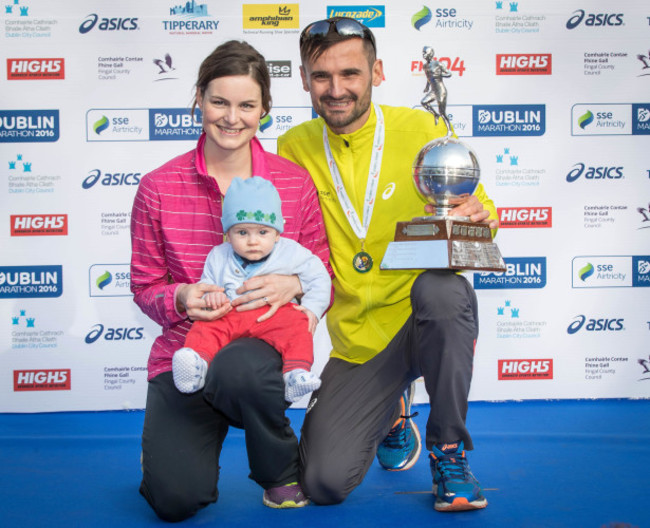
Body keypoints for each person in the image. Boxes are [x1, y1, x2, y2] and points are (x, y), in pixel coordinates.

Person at [277, 17, 498, 512]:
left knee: (444, 291)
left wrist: (477, 216)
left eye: (350, 74)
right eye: (321, 77)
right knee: (324, 482)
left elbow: (479, 208)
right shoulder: (293, 146)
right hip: (358, 343)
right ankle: (393, 411)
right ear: (304, 78)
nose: (336, 90)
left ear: (376, 73)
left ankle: (448, 451)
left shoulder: (424, 128)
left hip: (421, 317)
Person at [130, 40, 331, 520]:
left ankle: (279, 472)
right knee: (175, 501)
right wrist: (180, 296)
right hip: (187, 348)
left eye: (247, 105)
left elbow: (318, 265)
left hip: (259, 346)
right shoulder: (158, 186)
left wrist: (294, 287)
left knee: (242, 368)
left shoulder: (293, 182)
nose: (232, 117)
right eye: (219, 101)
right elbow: (145, 285)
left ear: (264, 110)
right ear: (198, 98)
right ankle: (166, 454)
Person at [172, 176, 331, 403]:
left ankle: (295, 373)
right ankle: (196, 364)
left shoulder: (292, 252)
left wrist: (312, 309)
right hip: (230, 314)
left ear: (278, 233)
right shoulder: (218, 255)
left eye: (263, 232)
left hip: (274, 316)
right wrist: (212, 296)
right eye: (242, 233)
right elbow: (207, 284)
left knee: (299, 324)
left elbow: (320, 277)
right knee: (205, 326)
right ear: (228, 234)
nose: (252, 241)